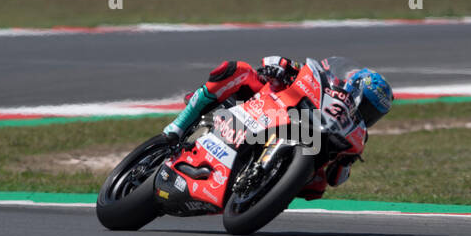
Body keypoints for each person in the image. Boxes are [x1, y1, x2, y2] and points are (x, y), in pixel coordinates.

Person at [161, 56, 393, 201]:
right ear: (354, 88)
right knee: (236, 70)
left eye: (373, 113)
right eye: (367, 106)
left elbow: (336, 180)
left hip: (303, 140)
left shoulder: (356, 133)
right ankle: (178, 127)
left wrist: (344, 162)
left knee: (317, 185)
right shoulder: (324, 84)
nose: (366, 114)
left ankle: (262, 184)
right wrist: (279, 67)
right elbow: (276, 63)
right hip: (265, 107)